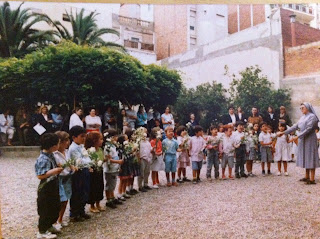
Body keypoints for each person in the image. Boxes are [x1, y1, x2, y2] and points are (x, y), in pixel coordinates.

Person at [278, 102, 320, 184]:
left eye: (302, 108)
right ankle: (307, 176)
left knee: (310, 156)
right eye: (300, 108)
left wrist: (297, 136)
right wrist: (284, 132)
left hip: (310, 139)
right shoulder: (303, 117)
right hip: (303, 139)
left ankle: (312, 179)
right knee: (306, 156)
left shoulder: (312, 117)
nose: (301, 109)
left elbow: (308, 129)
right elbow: (295, 126)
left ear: (307, 108)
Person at [35, 133, 63, 239]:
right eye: (57, 144)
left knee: (55, 206)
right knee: (45, 209)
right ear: (52, 146)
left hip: (53, 185)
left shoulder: (51, 155)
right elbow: (40, 175)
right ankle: (42, 231)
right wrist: (54, 171)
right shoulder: (43, 158)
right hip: (46, 187)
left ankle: (49, 225)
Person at [68, 126, 92, 222]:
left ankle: (81, 210)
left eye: (84, 136)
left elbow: (87, 158)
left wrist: (88, 162)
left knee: (84, 191)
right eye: (82, 136)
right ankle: (74, 212)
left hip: (84, 170)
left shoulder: (81, 146)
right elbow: (80, 161)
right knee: (77, 192)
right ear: (74, 137)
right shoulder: (73, 148)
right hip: (78, 172)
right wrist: (88, 162)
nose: (84, 138)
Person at [53, 131, 74, 229]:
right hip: (59, 178)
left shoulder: (67, 152)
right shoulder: (54, 154)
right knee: (61, 199)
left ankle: (60, 219)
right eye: (65, 140)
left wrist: (72, 167)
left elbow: (69, 163)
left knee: (66, 199)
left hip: (68, 177)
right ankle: (55, 220)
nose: (68, 142)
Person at [85, 132, 105, 213]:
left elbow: (102, 158)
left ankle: (98, 203)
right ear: (94, 140)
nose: (102, 141)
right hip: (93, 171)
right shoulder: (89, 151)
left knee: (100, 186)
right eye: (100, 139)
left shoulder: (100, 149)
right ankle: (92, 205)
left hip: (99, 170)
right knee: (93, 187)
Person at [104, 129, 124, 208]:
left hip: (114, 167)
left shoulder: (113, 145)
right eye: (115, 136)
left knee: (113, 184)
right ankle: (109, 199)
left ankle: (112, 197)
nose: (116, 138)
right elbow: (108, 158)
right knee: (109, 184)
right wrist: (118, 162)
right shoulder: (107, 147)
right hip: (110, 168)